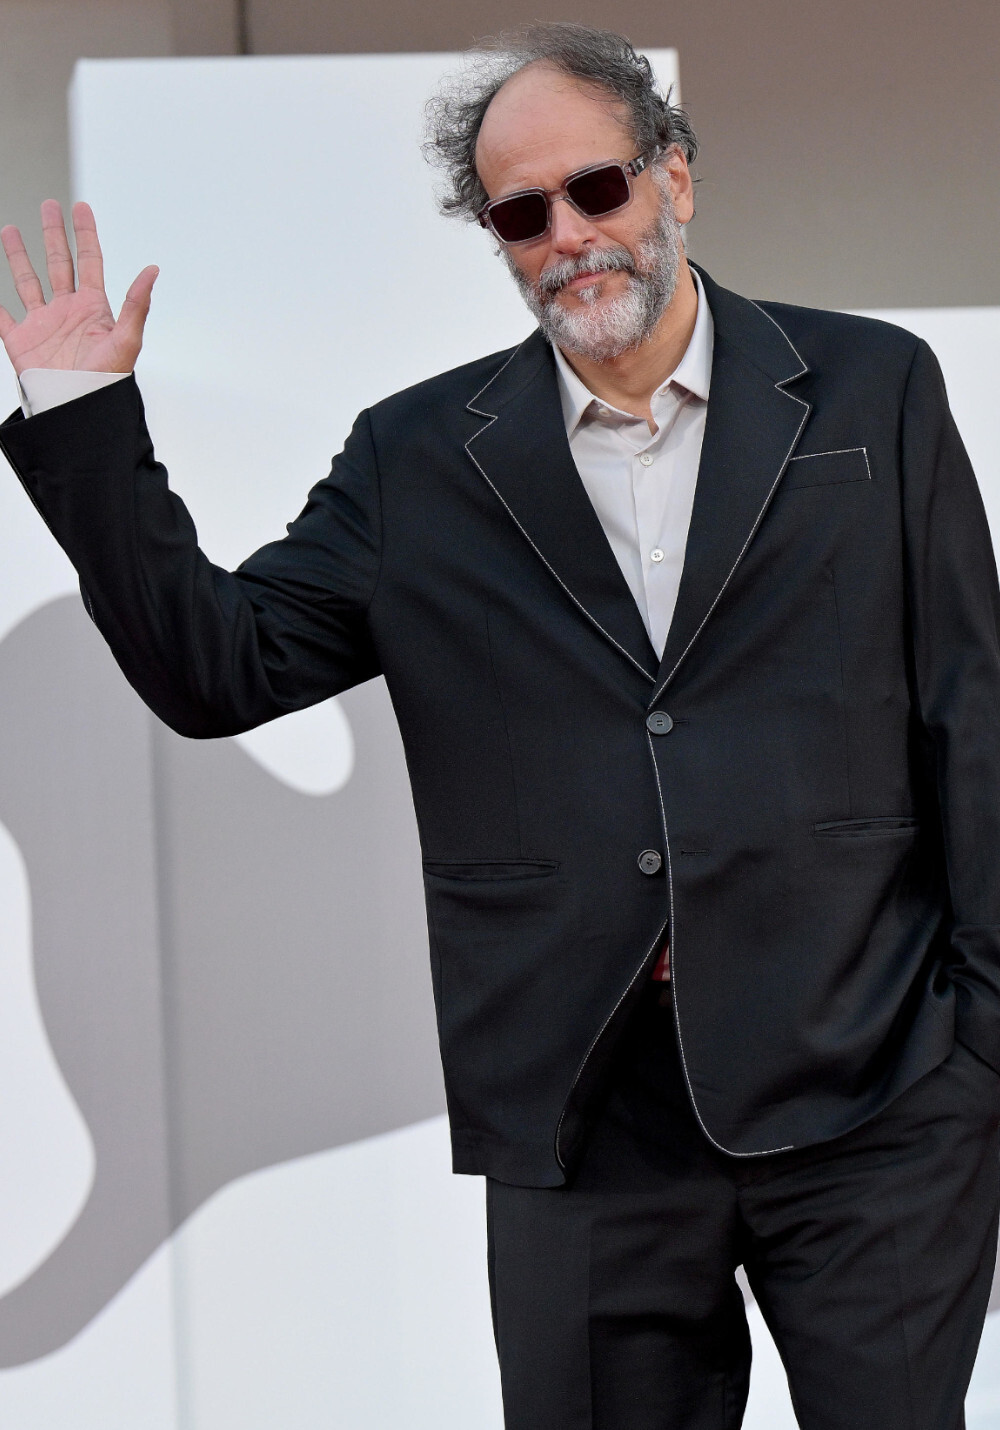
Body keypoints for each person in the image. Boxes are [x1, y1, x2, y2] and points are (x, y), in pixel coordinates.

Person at [1, 22, 998, 1429]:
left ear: (674, 176)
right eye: (522, 214)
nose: (568, 237)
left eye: (596, 188)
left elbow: (973, 719)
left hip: (873, 1092)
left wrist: (978, 1063)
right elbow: (218, 670)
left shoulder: (873, 390)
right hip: (580, 1121)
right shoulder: (417, 461)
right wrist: (82, 411)